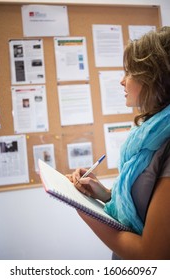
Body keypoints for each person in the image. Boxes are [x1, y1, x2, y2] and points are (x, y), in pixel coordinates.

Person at [66, 26, 170, 260]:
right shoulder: (150, 134)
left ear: (155, 78)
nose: (122, 81)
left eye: (130, 72)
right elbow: (145, 207)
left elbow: (152, 255)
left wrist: (83, 207)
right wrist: (103, 194)